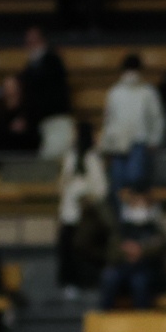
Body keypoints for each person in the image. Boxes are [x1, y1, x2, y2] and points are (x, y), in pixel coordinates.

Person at [57, 122, 112, 300]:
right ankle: (69, 283)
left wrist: (87, 198)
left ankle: (88, 282)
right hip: (68, 213)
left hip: (86, 216)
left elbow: (101, 188)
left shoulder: (92, 158)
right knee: (66, 249)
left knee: (83, 250)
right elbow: (63, 184)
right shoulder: (70, 157)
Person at [99, 53, 166, 192]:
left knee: (135, 178)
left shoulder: (148, 92)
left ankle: (137, 204)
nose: (131, 74)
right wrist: (107, 143)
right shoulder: (115, 92)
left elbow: (157, 118)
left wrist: (154, 140)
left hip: (139, 142)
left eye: (133, 70)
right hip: (118, 144)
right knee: (118, 181)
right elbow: (109, 120)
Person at [98, 187, 166, 310]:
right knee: (109, 277)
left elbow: (162, 246)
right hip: (123, 269)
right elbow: (111, 252)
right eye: (135, 202)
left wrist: (141, 250)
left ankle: (142, 319)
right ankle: (105, 317)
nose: (139, 206)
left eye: (143, 202)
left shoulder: (154, 228)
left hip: (147, 270)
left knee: (139, 282)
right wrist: (125, 252)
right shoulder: (121, 229)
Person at [22, 26, 75, 157]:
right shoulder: (32, 65)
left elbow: (47, 92)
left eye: (34, 41)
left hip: (55, 121)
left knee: (51, 161)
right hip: (42, 122)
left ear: (42, 41)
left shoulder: (52, 61)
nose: (30, 45)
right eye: (28, 42)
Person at [0, 73, 41, 156]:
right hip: (1, 153)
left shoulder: (28, 110)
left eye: (12, 86)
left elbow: (34, 136)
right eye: (7, 87)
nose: (9, 90)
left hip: (23, 153)